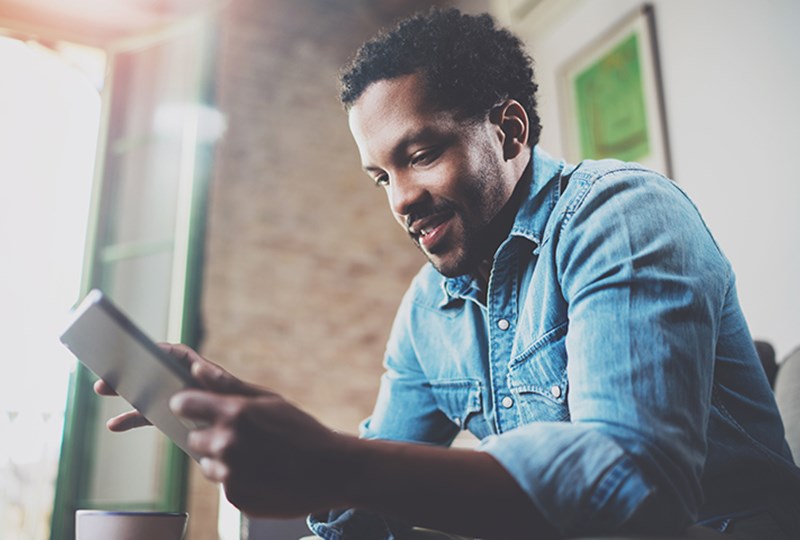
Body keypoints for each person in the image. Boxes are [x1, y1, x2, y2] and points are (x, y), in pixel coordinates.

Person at [96, 8, 800, 539]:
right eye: (381, 177)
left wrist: (335, 463)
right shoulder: (429, 310)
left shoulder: (621, 215)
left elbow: (637, 495)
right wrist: (258, 419)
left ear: (511, 131)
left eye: (422, 154)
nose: (400, 199)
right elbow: (367, 499)